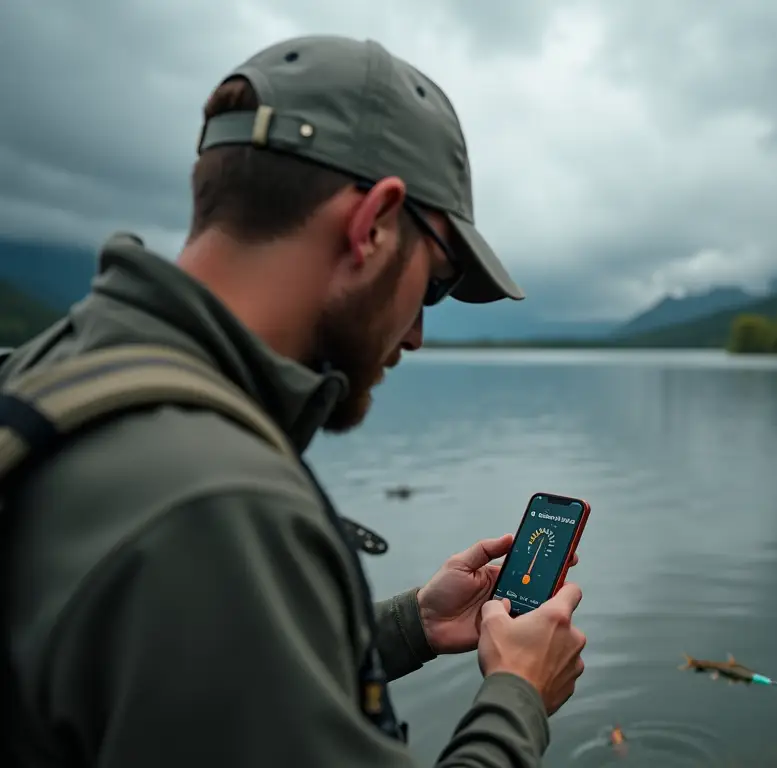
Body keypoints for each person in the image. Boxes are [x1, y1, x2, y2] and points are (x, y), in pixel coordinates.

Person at [0, 34, 586, 767]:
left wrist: (411, 626)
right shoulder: (216, 505)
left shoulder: (52, 377)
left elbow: (195, 661)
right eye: (433, 282)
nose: (417, 336)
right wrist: (518, 696)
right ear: (372, 223)